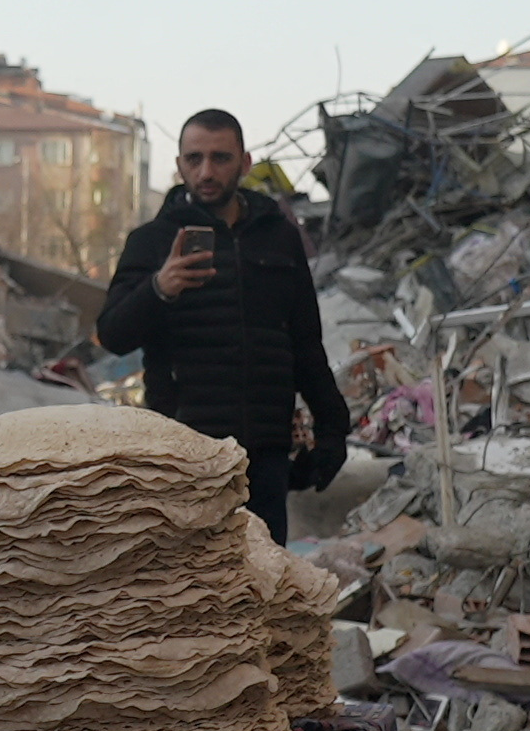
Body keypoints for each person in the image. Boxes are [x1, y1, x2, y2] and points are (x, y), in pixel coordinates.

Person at [96, 105, 352, 542]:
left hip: (265, 455)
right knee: (194, 591)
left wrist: (333, 431)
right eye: (194, 159)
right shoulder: (153, 241)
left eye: (220, 157)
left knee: (264, 585)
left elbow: (306, 343)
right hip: (185, 454)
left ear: (245, 163)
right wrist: (160, 287)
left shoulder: (279, 236)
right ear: (179, 166)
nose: (207, 171)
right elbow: (112, 335)